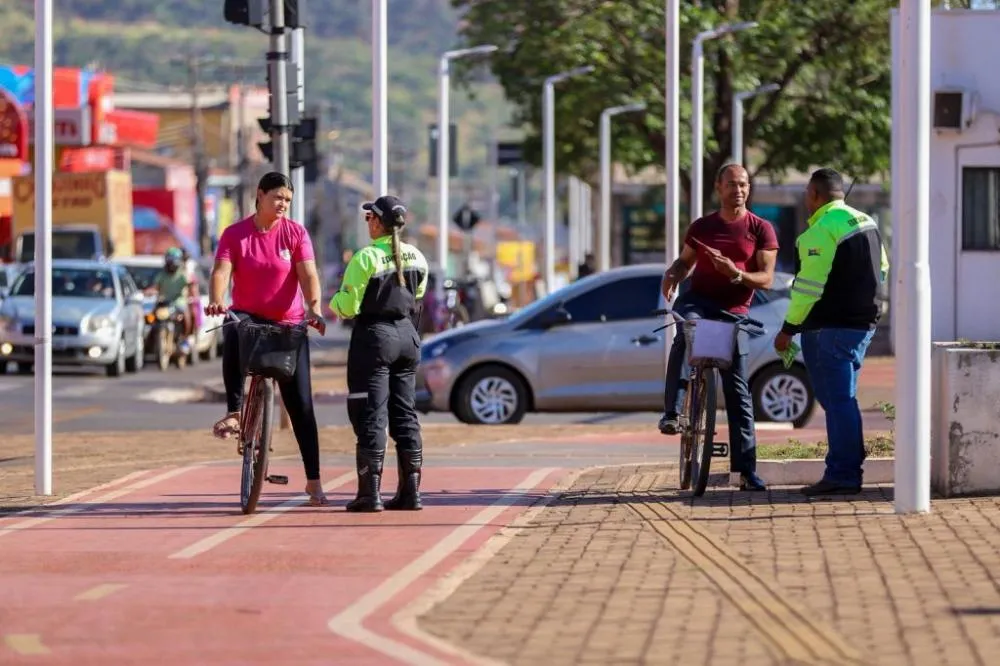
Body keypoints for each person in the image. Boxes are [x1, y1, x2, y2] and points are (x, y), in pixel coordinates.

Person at [204, 172, 330, 506]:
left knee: (301, 404)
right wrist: (217, 299)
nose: (282, 205)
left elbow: (308, 274)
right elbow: (221, 272)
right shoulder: (235, 234)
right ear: (259, 195)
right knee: (232, 328)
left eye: (287, 200)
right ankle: (233, 411)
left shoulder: (295, 233)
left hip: (288, 325)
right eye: (277, 198)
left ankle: (314, 481)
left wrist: (314, 308)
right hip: (249, 317)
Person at [659, 163, 778, 492]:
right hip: (698, 302)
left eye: (743, 185)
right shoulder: (703, 227)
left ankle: (746, 471)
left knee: (738, 390)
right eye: (731, 185)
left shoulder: (761, 229)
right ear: (718, 187)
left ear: (748, 189)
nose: (738, 190)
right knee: (686, 332)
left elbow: (766, 279)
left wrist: (736, 274)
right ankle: (672, 412)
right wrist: (672, 274)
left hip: (735, 311)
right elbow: (685, 262)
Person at [774, 168, 889, 496]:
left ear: (814, 194)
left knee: (837, 400)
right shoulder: (866, 221)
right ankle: (849, 456)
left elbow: (807, 289)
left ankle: (843, 472)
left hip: (830, 328)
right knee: (841, 399)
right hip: (862, 325)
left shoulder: (819, 231)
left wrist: (787, 330)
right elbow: (882, 268)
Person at [329, 195, 429, 513]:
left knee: (372, 414)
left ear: (377, 222)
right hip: (407, 338)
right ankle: (410, 493)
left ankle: (369, 494)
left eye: (369, 217)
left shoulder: (366, 258)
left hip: (374, 338)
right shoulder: (418, 257)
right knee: (405, 414)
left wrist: (331, 303)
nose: (367, 223)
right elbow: (418, 298)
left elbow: (348, 307)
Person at [151, 247, 195, 354]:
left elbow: (190, 284)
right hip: (164, 303)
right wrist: (148, 292)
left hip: (179, 303)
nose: (171, 264)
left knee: (187, 317)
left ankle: (184, 339)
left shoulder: (182, 274)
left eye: (173, 261)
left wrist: (191, 294)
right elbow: (155, 287)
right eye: (169, 261)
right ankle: (150, 343)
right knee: (152, 319)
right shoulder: (162, 275)